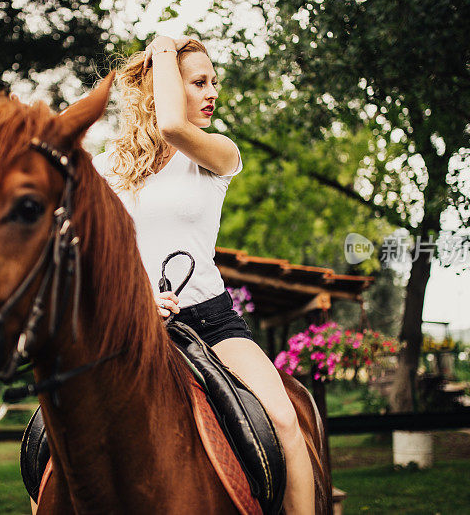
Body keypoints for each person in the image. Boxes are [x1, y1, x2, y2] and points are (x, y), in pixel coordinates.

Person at [92, 35, 315, 515]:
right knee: (54, 434)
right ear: (162, 86)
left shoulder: (217, 154)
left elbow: (171, 124)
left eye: (215, 81)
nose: (213, 92)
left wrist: (166, 48)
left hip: (210, 323)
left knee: (283, 420)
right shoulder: (105, 167)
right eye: (199, 82)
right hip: (129, 327)